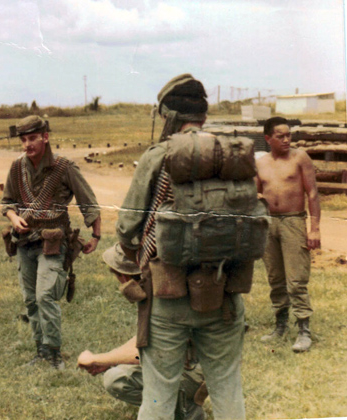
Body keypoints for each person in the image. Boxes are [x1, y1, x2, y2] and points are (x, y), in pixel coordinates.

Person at [116, 74, 246, 419]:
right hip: (225, 293)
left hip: (168, 294)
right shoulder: (231, 152)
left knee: (158, 394)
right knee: (228, 391)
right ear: (203, 115)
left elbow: (127, 227)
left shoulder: (159, 155)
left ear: (169, 115)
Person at [2, 115, 101, 369]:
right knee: (30, 299)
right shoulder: (16, 168)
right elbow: (7, 203)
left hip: (53, 244)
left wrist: (96, 236)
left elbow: (88, 202)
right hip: (25, 243)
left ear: (45, 137)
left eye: (33, 138)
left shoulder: (64, 167)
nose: (27, 145)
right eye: (23, 140)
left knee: (45, 295)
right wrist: (13, 218)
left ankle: (54, 352)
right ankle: (41, 350)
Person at [77, 244, 207, 420]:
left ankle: (179, 407)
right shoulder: (164, 287)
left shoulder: (162, 298)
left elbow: (145, 351)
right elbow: (143, 340)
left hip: (193, 369)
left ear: (124, 276)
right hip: (200, 365)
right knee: (118, 372)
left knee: (117, 379)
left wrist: (96, 359)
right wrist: (109, 359)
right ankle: (184, 406)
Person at [256, 116, 320, 352]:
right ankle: (280, 325)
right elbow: (255, 194)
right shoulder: (261, 162)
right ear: (267, 138)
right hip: (269, 224)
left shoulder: (299, 157)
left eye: (288, 135)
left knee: (296, 280)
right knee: (275, 278)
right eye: (280, 136)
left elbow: (312, 193)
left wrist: (315, 227)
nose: (286, 140)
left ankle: (304, 329)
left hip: (293, 221)